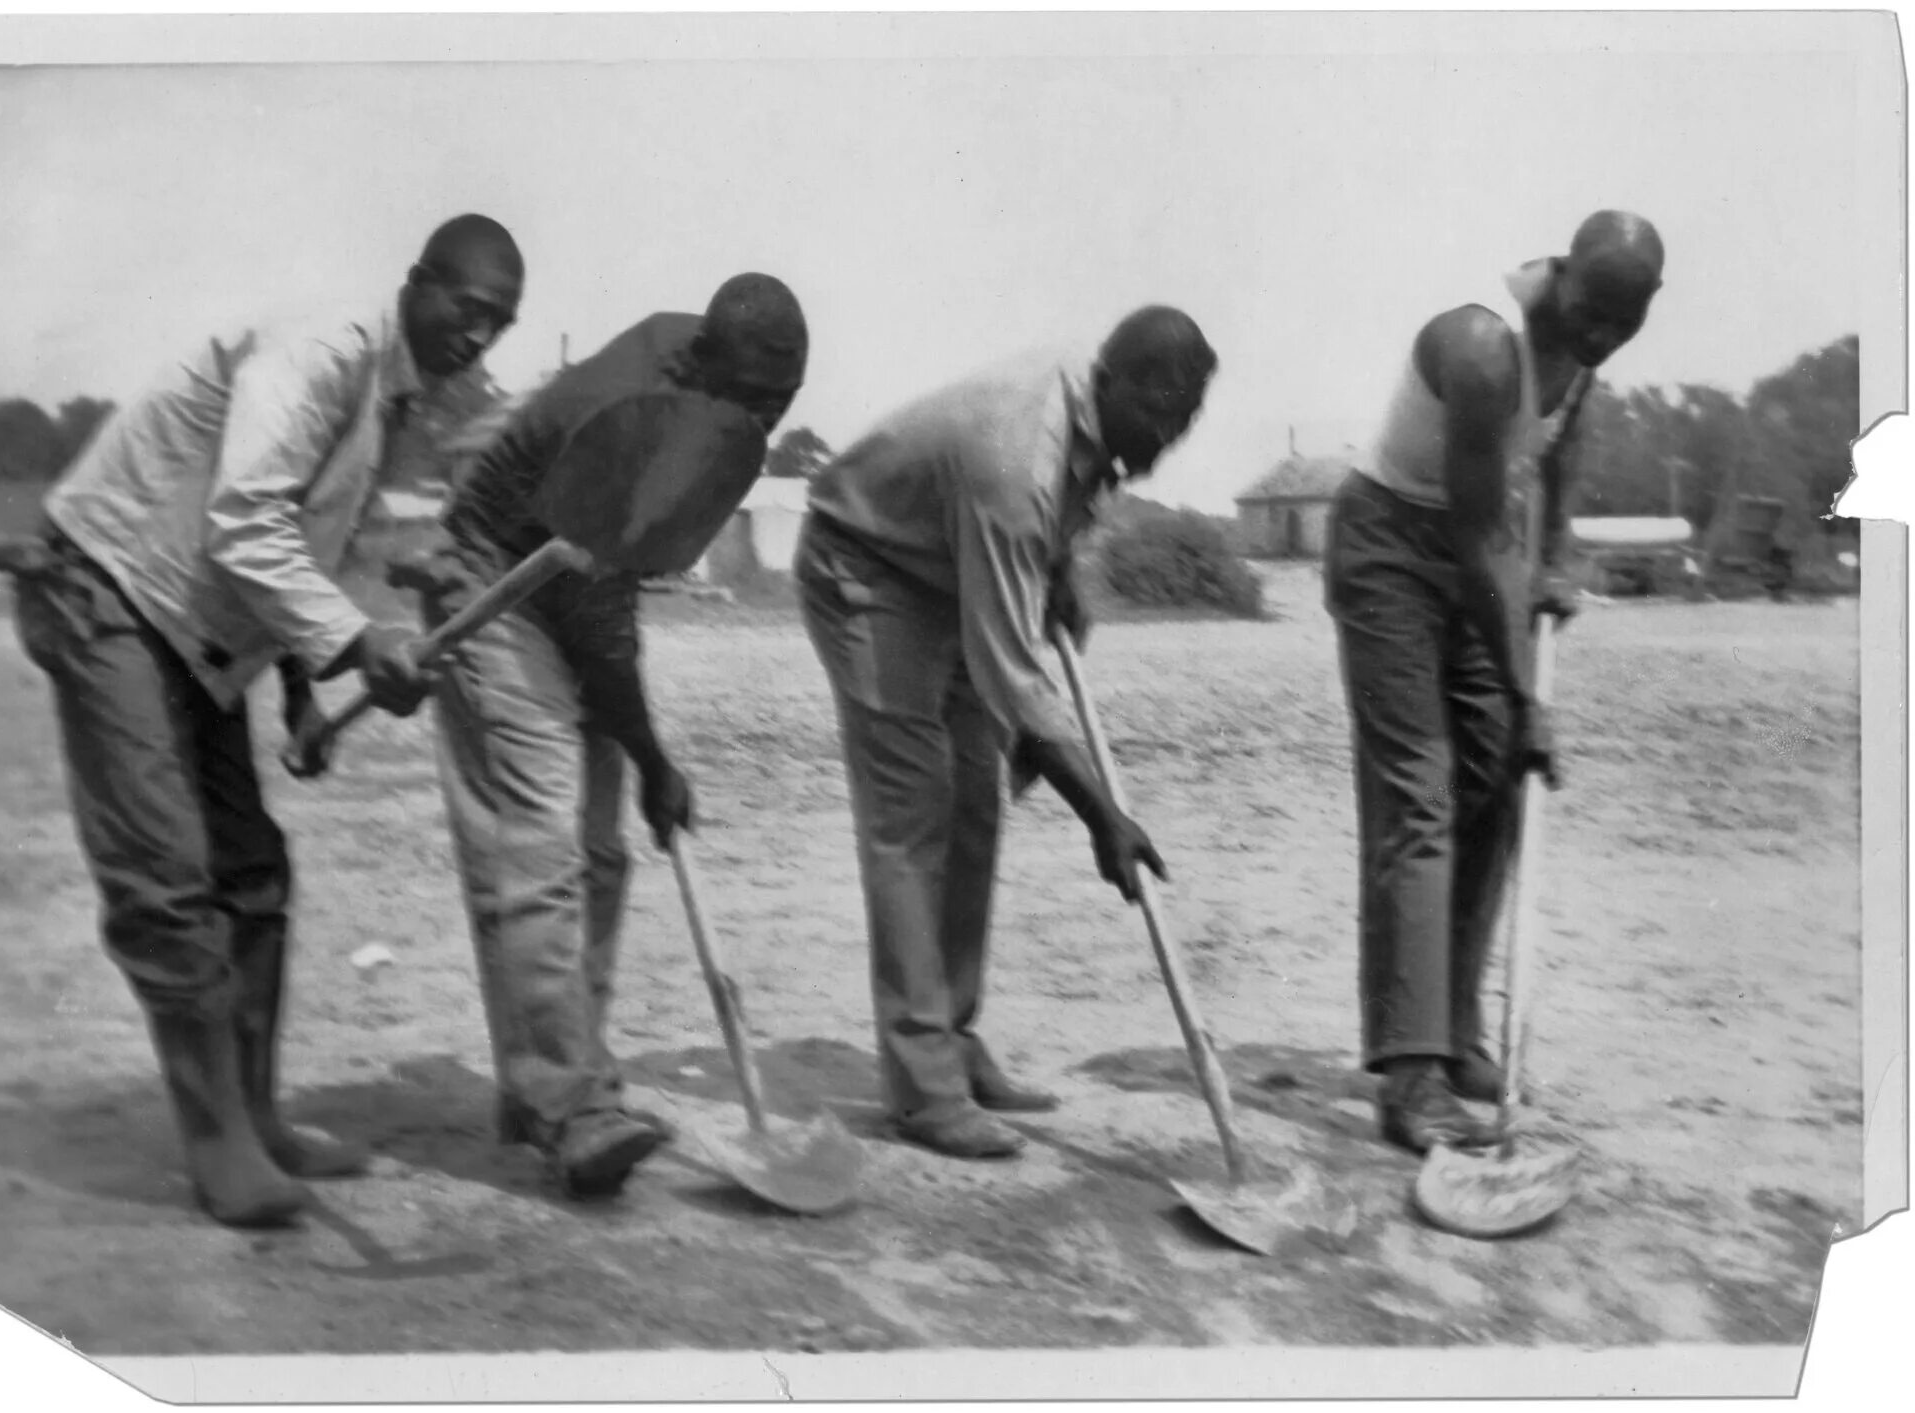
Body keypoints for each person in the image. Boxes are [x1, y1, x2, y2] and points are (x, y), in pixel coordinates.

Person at [2, 214, 524, 1227]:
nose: (478, 338)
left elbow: (302, 533)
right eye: (467, 310)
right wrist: (360, 644)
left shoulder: (391, 394)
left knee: (253, 871)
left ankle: (255, 1116)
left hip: (191, 630)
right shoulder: (328, 349)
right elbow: (246, 521)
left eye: (499, 325)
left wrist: (298, 683)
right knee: (166, 878)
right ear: (416, 283)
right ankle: (219, 1149)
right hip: (105, 592)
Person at [419, 273, 809, 1199]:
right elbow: (595, 611)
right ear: (709, 361)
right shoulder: (628, 411)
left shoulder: (710, 384)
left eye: (782, 401)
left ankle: (556, 1086)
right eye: (754, 397)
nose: (765, 416)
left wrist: (643, 756)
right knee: (543, 841)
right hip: (491, 580)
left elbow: (610, 578)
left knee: (600, 856)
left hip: (568, 577)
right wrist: (653, 757)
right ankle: (570, 1107)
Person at [797, 307, 1219, 1160]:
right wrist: (1104, 815)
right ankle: (923, 1088)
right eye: (1158, 418)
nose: (1166, 443)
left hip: (946, 565)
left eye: (1184, 426)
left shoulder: (1097, 418)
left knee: (976, 808)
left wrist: (1060, 571)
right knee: (913, 813)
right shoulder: (1015, 454)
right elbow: (1013, 669)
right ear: (1113, 383)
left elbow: (1048, 537)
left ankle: (950, 1036)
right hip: (866, 568)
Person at [1323, 210, 1664, 1152]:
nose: (1598, 340)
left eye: (1621, 327)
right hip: (1390, 543)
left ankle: (1457, 1027)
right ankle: (1412, 1074)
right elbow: (1475, 538)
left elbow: (1564, 440)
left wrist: (1556, 557)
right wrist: (1528, 694)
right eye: (1591, 316)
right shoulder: (1482, 347)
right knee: (1420, 794)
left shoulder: (1586, 342)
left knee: (1497, 776)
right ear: (1561, 277)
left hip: (1475, 542)